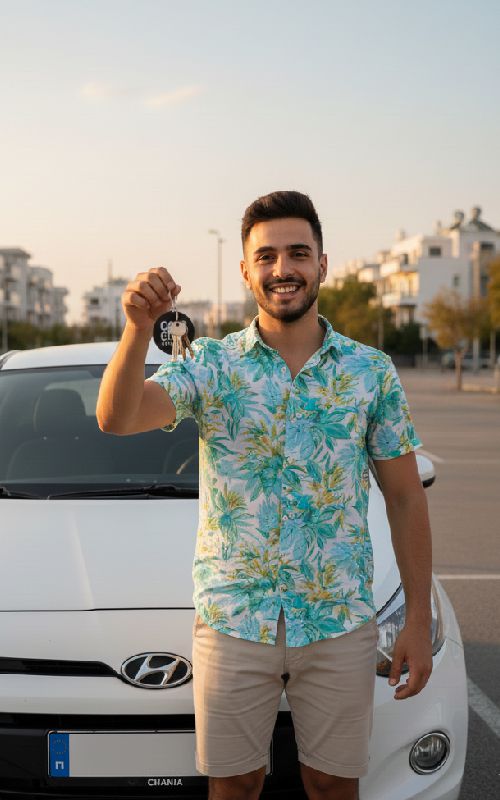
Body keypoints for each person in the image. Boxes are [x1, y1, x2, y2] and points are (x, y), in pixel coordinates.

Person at [96, 190, 433, 800]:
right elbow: (117, 419)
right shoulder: (210, 364)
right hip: (234, 619)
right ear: (246, 271)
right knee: (235, 785)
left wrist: (415, 618)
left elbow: (407, 498)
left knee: (332, 784)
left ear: (322, 264)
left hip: (337, 618)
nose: (284, 269)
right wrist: (138, 329)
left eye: (298, 253)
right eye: (267, 256)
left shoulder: (370, 372)